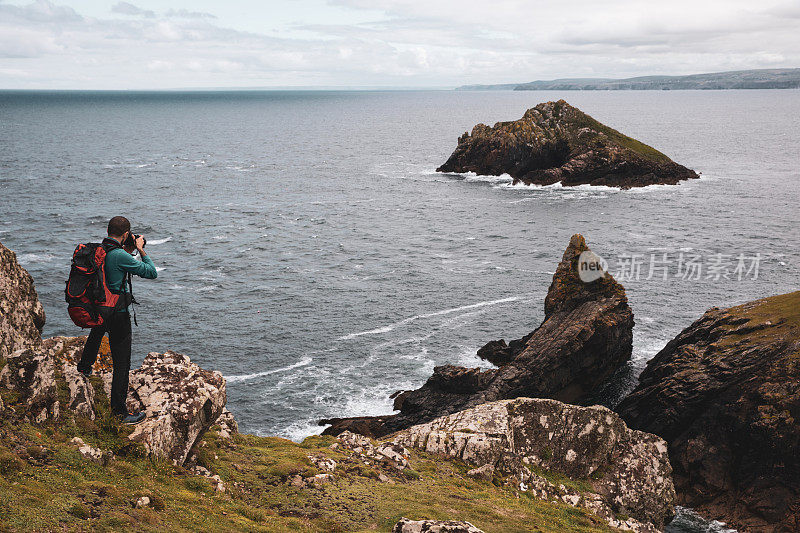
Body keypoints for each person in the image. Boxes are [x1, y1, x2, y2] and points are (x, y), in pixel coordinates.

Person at [77, 216, 157, 424]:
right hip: (118, 313)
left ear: (108, 230)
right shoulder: (120, 255)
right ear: (126, 234)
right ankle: (120, 413)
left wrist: (127, 248)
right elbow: (151, 273)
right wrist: (140, 249)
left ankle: (84, 368)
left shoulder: (99, 250)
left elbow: (113, 267)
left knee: (97, 333)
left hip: (100, 308)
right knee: (122, 364)